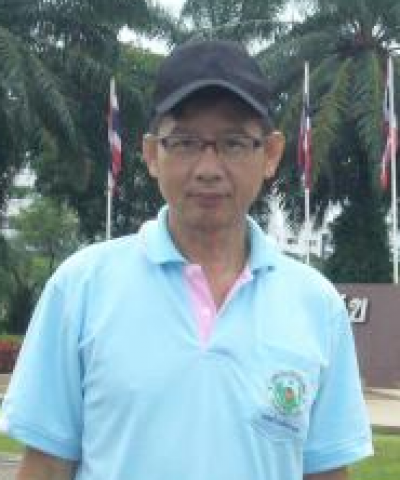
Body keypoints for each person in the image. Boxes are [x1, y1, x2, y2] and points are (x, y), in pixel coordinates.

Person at [0, 39, 372, 480]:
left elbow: (325, 473)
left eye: (234, 143)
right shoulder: (81, 288)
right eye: (185, 142)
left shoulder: (316, 305)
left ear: (270, 154)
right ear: (152, 154)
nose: (208, 168)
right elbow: (45, 467)